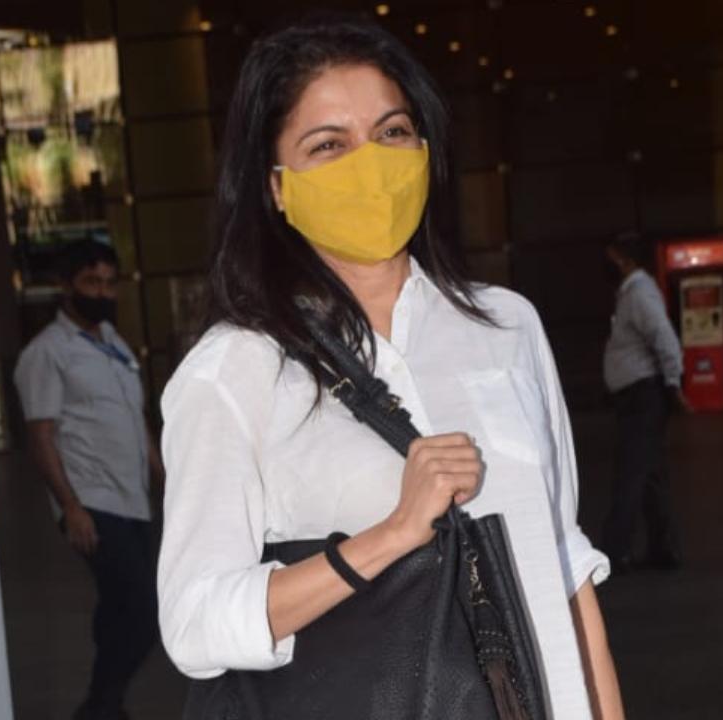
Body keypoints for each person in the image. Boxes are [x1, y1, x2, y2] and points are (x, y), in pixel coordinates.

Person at [155, 16, 623, 720]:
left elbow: (562, 562)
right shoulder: (237, 369)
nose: (368, 162)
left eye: (392, 133)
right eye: (328, 145)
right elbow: (194, 624)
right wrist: (392, 535)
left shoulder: (504, 327)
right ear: (276, 187)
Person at [13, 239, 164, 720]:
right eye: (91, 283)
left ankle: (108, 705)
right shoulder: (47, 353)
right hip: (93, 501)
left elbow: (135, 422)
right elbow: (40, 436)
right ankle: (98, 708)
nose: (103, 292)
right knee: (143, 612)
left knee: (118, 608)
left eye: (108, 282)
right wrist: (70, 508)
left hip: (133, 497)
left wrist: (167, 476)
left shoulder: (113, 343)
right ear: (65, 286)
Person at [600, 232, 686, 573]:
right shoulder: (633, 292)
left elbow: (663, 336)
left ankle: (615, 550)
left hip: (642, 395)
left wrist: (673, 380)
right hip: (639, 394)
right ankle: (663, 550)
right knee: (649, 473)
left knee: (632, 473)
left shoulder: (639, 293)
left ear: (625, 260)